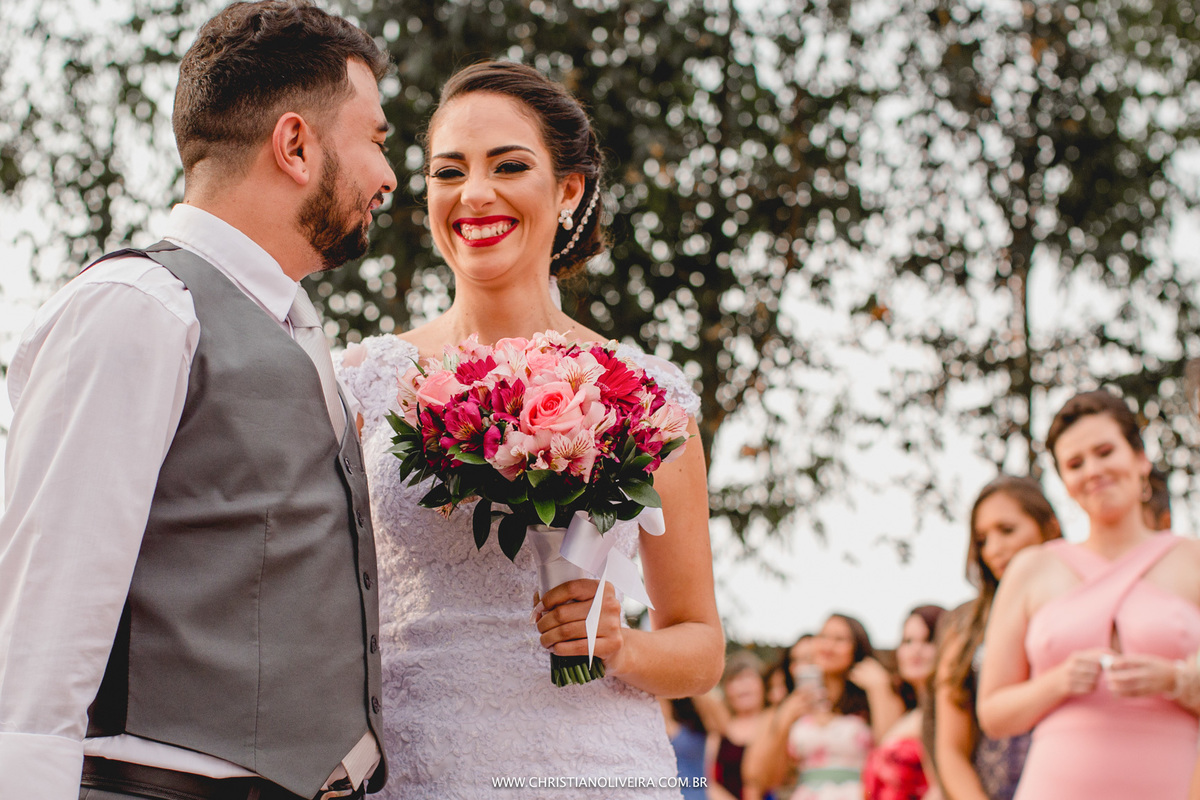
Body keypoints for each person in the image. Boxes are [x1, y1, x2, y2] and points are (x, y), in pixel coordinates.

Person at [0, 3, 397, 799]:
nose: (388, 176)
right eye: (376, 139)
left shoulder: (294, 323)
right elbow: (43, 611)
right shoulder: (136, 305)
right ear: (295, 144)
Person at [336, 60, 724, 797]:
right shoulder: (361, 381)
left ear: (568, 188)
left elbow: (700, 646)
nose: (474, 193)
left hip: (596, 770)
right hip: (416, 769)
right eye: (449, 172)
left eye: (508, 165)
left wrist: (623, 645)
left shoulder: (647, 395)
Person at [977, 389, 1200, 799]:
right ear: (1065, 481)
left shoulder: (1192, 559)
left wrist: (1177, 680)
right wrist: (1056, 683)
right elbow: (992, 713)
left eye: (1104, 451)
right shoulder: (1032, 569)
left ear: (1139, 458)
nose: (1093, 470)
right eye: (1075, 464)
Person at [930, 476, 1061, 800]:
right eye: (982, 539)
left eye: (1007, 530)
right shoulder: (965, 626)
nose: (993, 549)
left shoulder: (1081, 606)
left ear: (1050, 527)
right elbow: (950, 749)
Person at [741, 613, 903, 800]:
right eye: (823, 637)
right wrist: (784, 719)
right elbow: (763, 778)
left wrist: (879, 690)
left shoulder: (873, 696)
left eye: (840, 639)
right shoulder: (796, 704)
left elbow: (892, 755)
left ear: (856, 647)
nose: (828, 645)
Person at [862, 605, 945, 800]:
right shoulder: (909, 713)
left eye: (928, 640)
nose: (916, 650)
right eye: (908, 641)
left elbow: (941, 786)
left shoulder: (946, 712)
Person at [706, 651, 772, 799]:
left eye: (749, 677)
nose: (743, 685)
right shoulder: (719, 730)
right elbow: (709, 782)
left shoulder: (775, 722)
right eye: (735, 680)